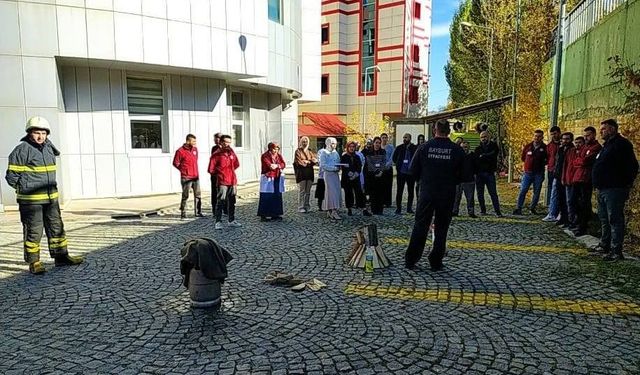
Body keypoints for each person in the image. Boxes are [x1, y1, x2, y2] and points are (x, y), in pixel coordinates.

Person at [5, 116, 83, 274]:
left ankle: (61, 257)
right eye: (36, 133)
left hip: (51, 199)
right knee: (34, 230)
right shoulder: (22, 150)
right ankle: (34, 262)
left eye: (43, 133)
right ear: (29, 133)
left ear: (47, 134)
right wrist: (25, 188)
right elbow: (11, 177)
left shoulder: (49, 148)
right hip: (31, 201)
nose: (40, 136)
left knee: (56, 228)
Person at [405, 119, 464, 271]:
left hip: (427, 193)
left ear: (434, 130)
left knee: (420, 225)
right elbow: (464, 175)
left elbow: (412, 171)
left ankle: (411, 259)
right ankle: (436, 261)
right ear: (449, 131)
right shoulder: (457, 150)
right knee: (442, 228)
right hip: (446, 194)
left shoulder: (424, 147)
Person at [591, 119, 638, 261]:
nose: (601, 132)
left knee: (615, 219)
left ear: (612, 129)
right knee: (604, 218)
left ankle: (616, 250)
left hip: (615, 188)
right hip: (603, 188)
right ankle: (604, 244)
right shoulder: (607, 145)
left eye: (603, 129)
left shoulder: (621, 145)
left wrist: (624, 183)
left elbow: (632, 166)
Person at [569, 126, 602, 236]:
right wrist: (580, 161)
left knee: (584, 203)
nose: (586, 137)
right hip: (577, 177)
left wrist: (580, 161)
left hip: (586, 178)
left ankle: (583, 226)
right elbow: (575, 160)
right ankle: (579, 221)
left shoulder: (596, 147)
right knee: (573, 201)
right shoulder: (584, 147)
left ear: (593, 135)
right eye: (585, 136)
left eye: (588, 135)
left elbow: (585, 161)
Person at [208, 135, 242, 230]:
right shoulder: (216, 154)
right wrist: (221, 173)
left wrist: (230, 172)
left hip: (232, 180)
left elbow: (236, 164)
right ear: (221, 142)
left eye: (229, 142)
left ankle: (231, 220)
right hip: (222, 181)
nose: (228, 144)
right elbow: (211, 169)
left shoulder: (231, 152)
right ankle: (218, 221)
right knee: (221, 201)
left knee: (232, 201)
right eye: (226, 142)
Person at [513, 130, 547, 215]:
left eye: (539, 136)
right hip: (528, 173)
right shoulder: (528, 146)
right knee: (523, 190)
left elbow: (547, 160)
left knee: (536, 191)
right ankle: (518, 208)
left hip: (538, 173)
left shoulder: (545, 148)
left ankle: (532, 208)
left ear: (542, 137)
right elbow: (523, 158)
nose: (537, 138)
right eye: (535, 136)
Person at [173, 134, 203, 219]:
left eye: (195, 141)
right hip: (186, 177)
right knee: (185, 195)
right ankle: (183, 212)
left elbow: (195, 160)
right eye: (193, 141)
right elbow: (176, 163)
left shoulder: (195, 150)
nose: (195, 143)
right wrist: (184, 170)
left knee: (198, 194)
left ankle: (198, 211)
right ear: (188, 141)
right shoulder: (180, 151)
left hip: (195, 176)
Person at [474, 131, 502, 217]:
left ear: (488, 137)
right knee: (480, 194)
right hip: (479, 174)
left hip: (490, 173)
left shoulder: (494, 146)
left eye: (485, 137)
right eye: (482, 137)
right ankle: (483, 210)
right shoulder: (478, 148)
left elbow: (493, 155)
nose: (483, 139)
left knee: (493, 193)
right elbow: (476, 160)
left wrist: (483, 156)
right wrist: (486, 156)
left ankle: (497, 211)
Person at [258, 142, 286, 221]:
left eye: (277, 149)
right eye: (274, 149)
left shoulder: (278, 156)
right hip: (268, 178)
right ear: (270, 148)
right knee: (266, 196)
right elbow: (269, 165)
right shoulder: (265, 156)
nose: (275, 150)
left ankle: (275, 214)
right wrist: (276, 166)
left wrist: (277, 165)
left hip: (277, 177)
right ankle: (264, 215)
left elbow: (283, 164)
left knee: (276, 196)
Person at [341, 141, 370, 216]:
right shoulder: (344, 157)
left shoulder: (357, 157)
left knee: (359, 193)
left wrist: (355, 174)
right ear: (347, 147)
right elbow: (343, 167)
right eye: (350, 147)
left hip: (356, 178)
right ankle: (349, 208)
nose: (352, 148)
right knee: (348, 193)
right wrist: (349, 174)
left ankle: (363, 209)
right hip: (347, 179)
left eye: (353, 147)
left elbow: (359, 167)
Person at [392, 133, 417, 214]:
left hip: (410, 173)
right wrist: (398, 166)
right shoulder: (399, 148)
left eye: (406, 137)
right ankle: (398, 208)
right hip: (401, 172)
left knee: (410, 191)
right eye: (403, 137)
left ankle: (409, 208)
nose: (404, 139)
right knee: (399, 191)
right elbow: (394, 158)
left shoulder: (414, 148)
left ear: (410, 138)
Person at [319, 137, 342, 219]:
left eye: (335, 143)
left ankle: (331, 209)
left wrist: (339, 168)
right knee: (331, 192)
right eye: (332, 143)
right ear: (328, 143)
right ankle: (333, 210)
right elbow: (323, 165)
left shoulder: (336, 153)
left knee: (336, 191)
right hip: (328, 175)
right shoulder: (324, 153)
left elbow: (338, 162)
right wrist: (333, 168)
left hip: (335, 175)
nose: (334, 145)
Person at [364, 137, 388, 215]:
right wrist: (375, 172)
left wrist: (381, 171)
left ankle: (380, 210)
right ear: (373, 143)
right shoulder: (369, 152)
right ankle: (374, 209)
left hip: (381, 175)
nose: (377, 144)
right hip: (372, 175)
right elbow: (369, 163)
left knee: (380, 193)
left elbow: (384, 162)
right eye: (376, 142)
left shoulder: (383, 151)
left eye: (379, 143)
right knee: (373, 193)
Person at [555, 132, 575, 227]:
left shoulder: (572, 150)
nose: (565, 141)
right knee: (560, 198)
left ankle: (569, 219)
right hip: (559, 176)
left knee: (569, 200)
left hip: (568, 177)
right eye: (563, 139)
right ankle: (562, 217)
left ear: (571, 140)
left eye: (567, 139)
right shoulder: (561, 149)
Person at [453, 141, 477, 218]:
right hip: (458, 180)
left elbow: (476, 167)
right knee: (456, 198)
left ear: (469, 147)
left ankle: (471, 212)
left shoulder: (473, 156)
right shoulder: (457, 156)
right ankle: (454, 211)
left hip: (469, 180)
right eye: (462, 147)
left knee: (470, 198)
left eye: (466, 147)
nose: (464, 149)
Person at [543, 126, 562, 221]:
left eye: (555, 134)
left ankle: (556, 212)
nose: (553, 136)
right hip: (551, 170)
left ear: (559, 133)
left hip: (560, 171)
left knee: (557, 192)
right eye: (552, 134)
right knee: (552, 191)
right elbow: (547, 157)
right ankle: (553, 211)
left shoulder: (563, 144)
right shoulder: (549, 146)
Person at [294, 136, 317, 213]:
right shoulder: (298, 151)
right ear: (301, 142)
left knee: (308, 191)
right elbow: (299, 163)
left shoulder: (310, 151)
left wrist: (307, 161)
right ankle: (301, 207)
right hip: (301, 174)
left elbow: (314, 161)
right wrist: (308, 162)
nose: (305, 143)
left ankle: (307, 205)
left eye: (306, 142)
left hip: (310, 173)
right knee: (302, 191)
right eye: (303, 141)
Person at [210, 132, 227, 216]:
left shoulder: (227, 149)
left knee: (225, 191)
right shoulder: (214, 148)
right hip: (215, 174)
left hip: (224, 174)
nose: (214, 140)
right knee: (214, 192)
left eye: (216, 138)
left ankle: (225, 209)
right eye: (214, 138)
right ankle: (215, 210)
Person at [380, 133, 395, 207]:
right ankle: (382, 201)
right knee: (381, 185)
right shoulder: (379, 147)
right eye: (383, 137)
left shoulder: (391, 147)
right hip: (380, 169)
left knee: (388, 185)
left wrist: (387, 165)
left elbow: (392, 157)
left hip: (388, 169)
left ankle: (388, 202)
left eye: (385, 137)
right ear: (381, 138)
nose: (384, 139)